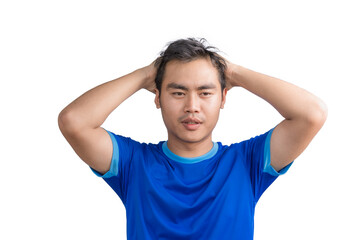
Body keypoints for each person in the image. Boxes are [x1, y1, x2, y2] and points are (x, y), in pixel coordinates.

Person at [58, 38, 327, 240]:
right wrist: (145, 75)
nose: (192, 106)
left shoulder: (247, 163)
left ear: (223, 98)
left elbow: (311, 114)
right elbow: (74, 121)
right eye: (177, 93)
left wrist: (232, 73)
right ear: (157, 97)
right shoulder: (133, 164)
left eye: (205, 92)